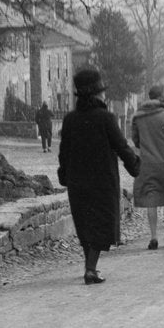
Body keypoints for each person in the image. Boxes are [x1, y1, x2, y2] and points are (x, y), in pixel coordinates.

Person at [58, 68, 140, 285]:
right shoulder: (106, 118)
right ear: (96, 94)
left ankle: (89, 265)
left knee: (85, 223)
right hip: (103, 181)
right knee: (102, 223)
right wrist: (135, 167)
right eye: (102, 91)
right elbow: (122, 147)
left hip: (77, 181)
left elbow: (64, 151)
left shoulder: (70, 120)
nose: (104, 95)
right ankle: (90, 269)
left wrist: (63, 174)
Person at [131, 83, 164, 251]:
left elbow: (136, 140)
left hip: (146, 163)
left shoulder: (138, 117)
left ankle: (153, 236)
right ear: (160, 99)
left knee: (152, 199)